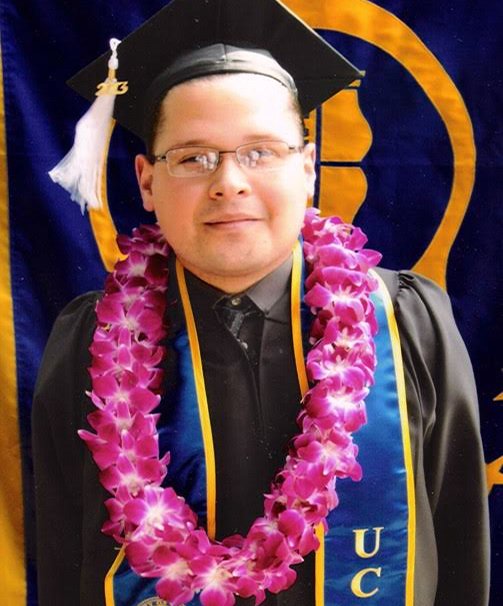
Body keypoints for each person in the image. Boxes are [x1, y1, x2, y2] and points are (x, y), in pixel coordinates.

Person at [32, 1, 489, 605]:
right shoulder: (90, 344)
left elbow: (460, 553)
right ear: (146, 181)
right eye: (193, 158)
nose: (229, 181)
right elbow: (65, 562)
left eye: (261, 152)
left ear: (307, 169)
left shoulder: (408, 324)